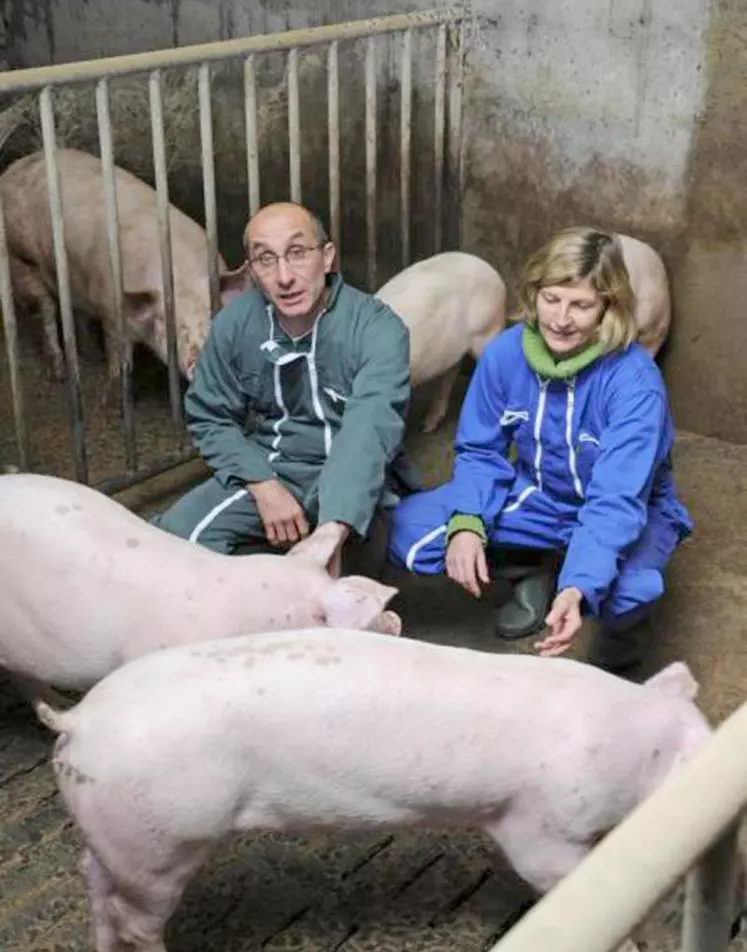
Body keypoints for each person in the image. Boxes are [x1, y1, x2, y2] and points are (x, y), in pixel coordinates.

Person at [388, 226, 693, 675]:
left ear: (609, 306)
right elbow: (480, 450)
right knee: (402, 528)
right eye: (552, 298)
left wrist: (580, 584)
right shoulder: (506, 354)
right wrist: (469, 521)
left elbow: (616, 498)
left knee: (631, 591)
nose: (561, 319)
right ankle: (527, 568)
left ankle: (619, 646)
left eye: (582, 305)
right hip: (541, 495)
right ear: (534, 292)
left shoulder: (635, 383)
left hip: (628, 507)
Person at [152, 201, 416, 575]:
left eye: (297, 253)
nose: (284, 276)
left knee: (341, 597)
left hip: (354, 476)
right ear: (251, 272)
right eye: (265, 259)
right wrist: (264, 486)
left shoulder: (377, 329)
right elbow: (210, 416)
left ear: (327, 257)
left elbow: (367, 432)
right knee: (175, 546)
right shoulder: (235, 324)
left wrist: (331, 529)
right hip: (271, 467)